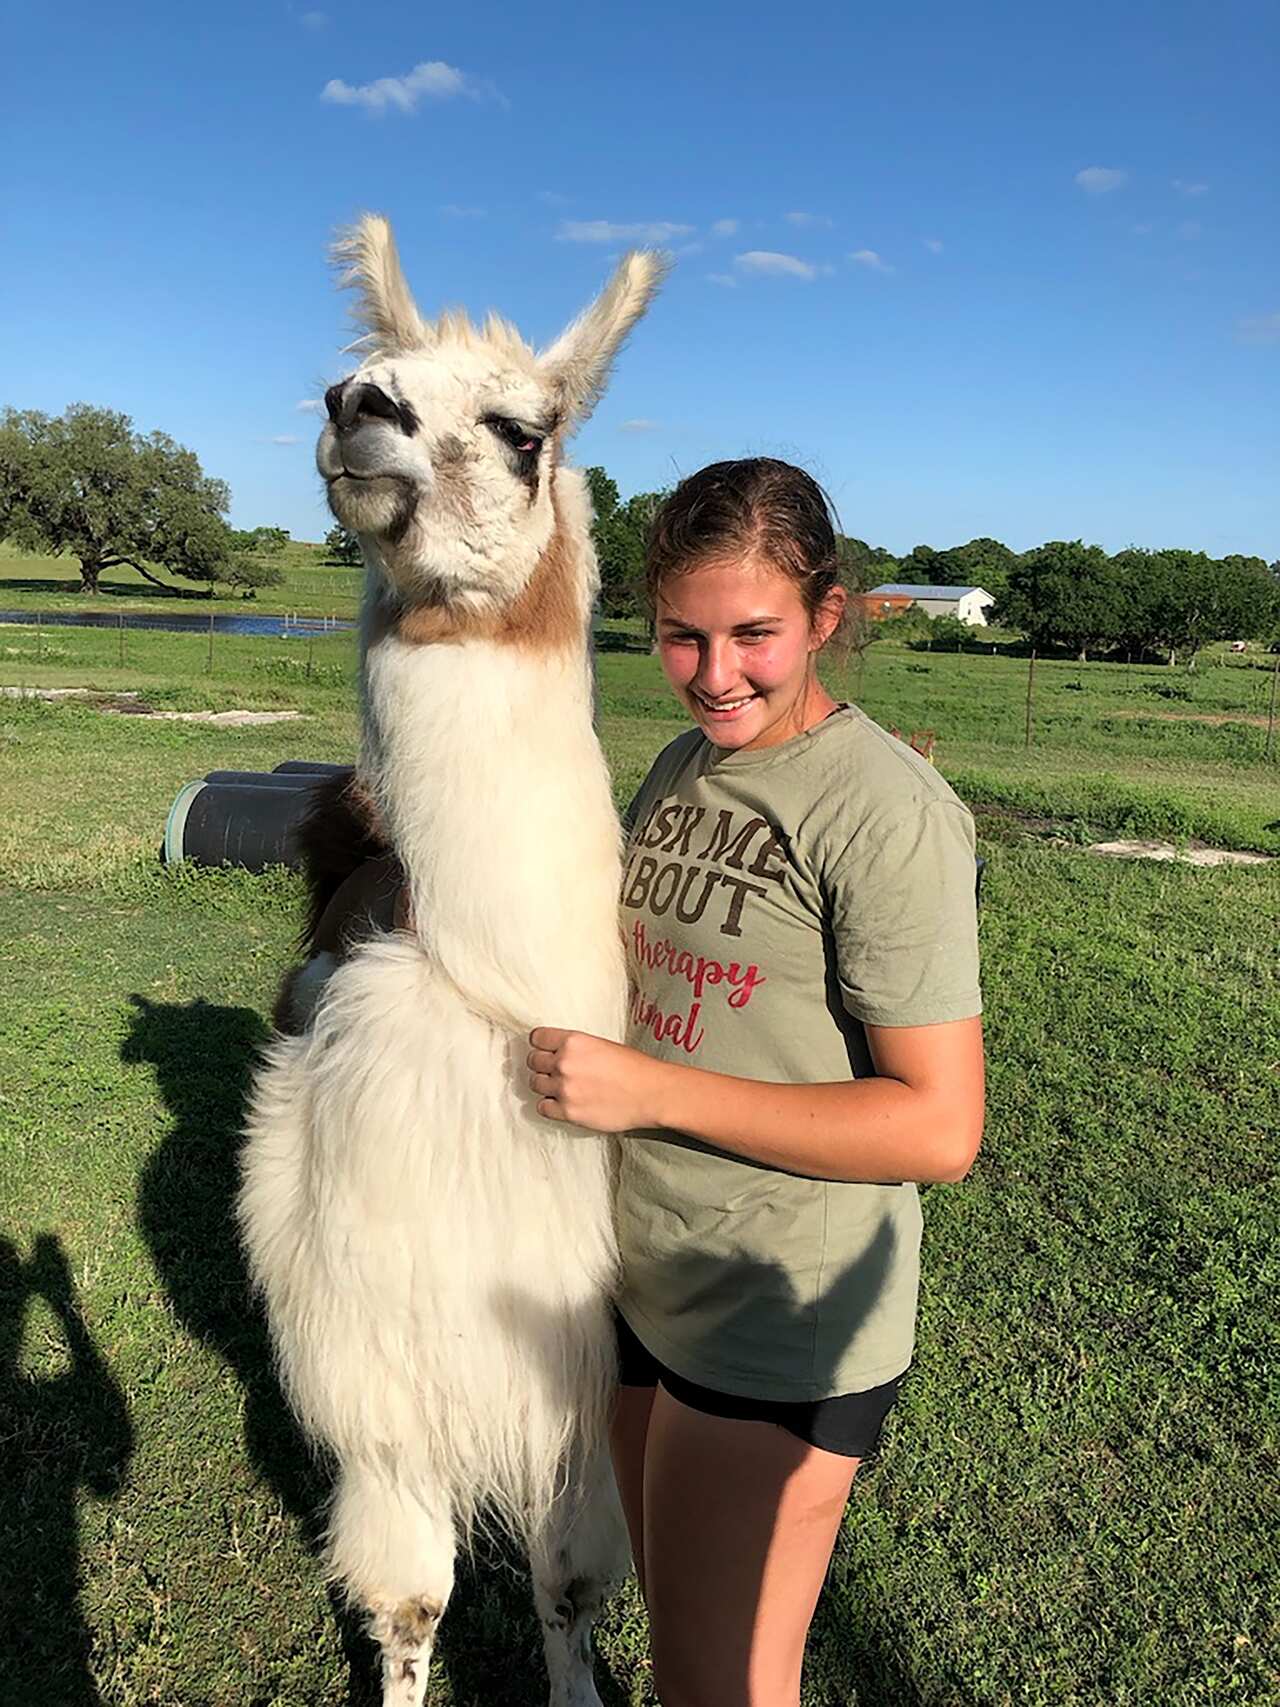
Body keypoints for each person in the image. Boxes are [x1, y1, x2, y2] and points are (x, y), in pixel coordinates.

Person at [525, 458, 984, 1707]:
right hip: (643, 1274)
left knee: (718, 1686)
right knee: (678, 1639)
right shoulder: (682, 767)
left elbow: (938, 1126)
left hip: (775, 1315)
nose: (714, 672)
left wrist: (650, 1093)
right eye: (681, 635)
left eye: (753, 635)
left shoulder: (883, 813)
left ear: (826, 615)